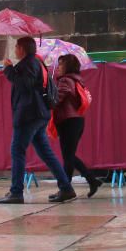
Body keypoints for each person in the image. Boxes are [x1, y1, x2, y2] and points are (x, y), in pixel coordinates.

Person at [0, 37, 77, 204]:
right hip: (37, 114)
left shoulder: (29, 64)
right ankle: (66, 188)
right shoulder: (36, 63)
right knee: (45, 153)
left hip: (28, 115)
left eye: (16, 47)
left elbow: (26, 84)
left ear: (22, 49)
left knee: (17, 151)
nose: (15, 50)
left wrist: (9, 70)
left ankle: (16, 192)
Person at [51, 54, 102, 199]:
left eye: (61, 64)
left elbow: (59, 97)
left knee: (68, 157)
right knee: (69, 156)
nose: (58, 67)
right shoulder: (75, 79)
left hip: (68, 121)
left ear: (68, 66)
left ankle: (66, 190)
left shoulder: (65, 80)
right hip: (75, 120)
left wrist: (48, 98)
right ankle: (90, 181)